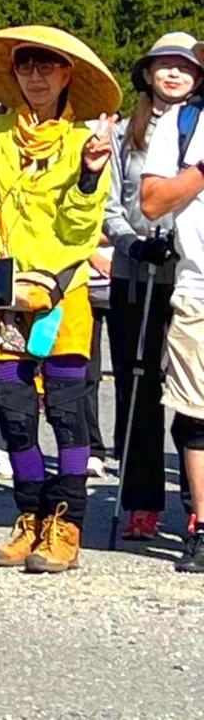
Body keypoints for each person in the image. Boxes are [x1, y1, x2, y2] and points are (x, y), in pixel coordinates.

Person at [0, 25, 118, 573]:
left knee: (70, 416)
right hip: (0, 296)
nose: (37, 76)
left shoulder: (82, 140)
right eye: (27, 66)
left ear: (67, 74)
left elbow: (83, 225)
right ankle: (28, 516)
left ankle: (67, 523)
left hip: (61, 294)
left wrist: (91, 175)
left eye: (48, 66)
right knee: (17, 417)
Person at [106, 32, 198, 543]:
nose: (173, 75)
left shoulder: (198, 127)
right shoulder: (125, 133)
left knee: (192, 394)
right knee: (136, 389)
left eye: (183, 68)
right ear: (146, 73)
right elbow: (111, 203)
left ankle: (194, 500)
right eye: (164, 66)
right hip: (137, 271)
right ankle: (141, 498)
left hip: (188, 275)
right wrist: (131, 242)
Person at [153, 84, 204, 573]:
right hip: (198, 289)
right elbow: (151, 201)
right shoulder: (180, 123)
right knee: (198, 419)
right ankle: (202, 529)